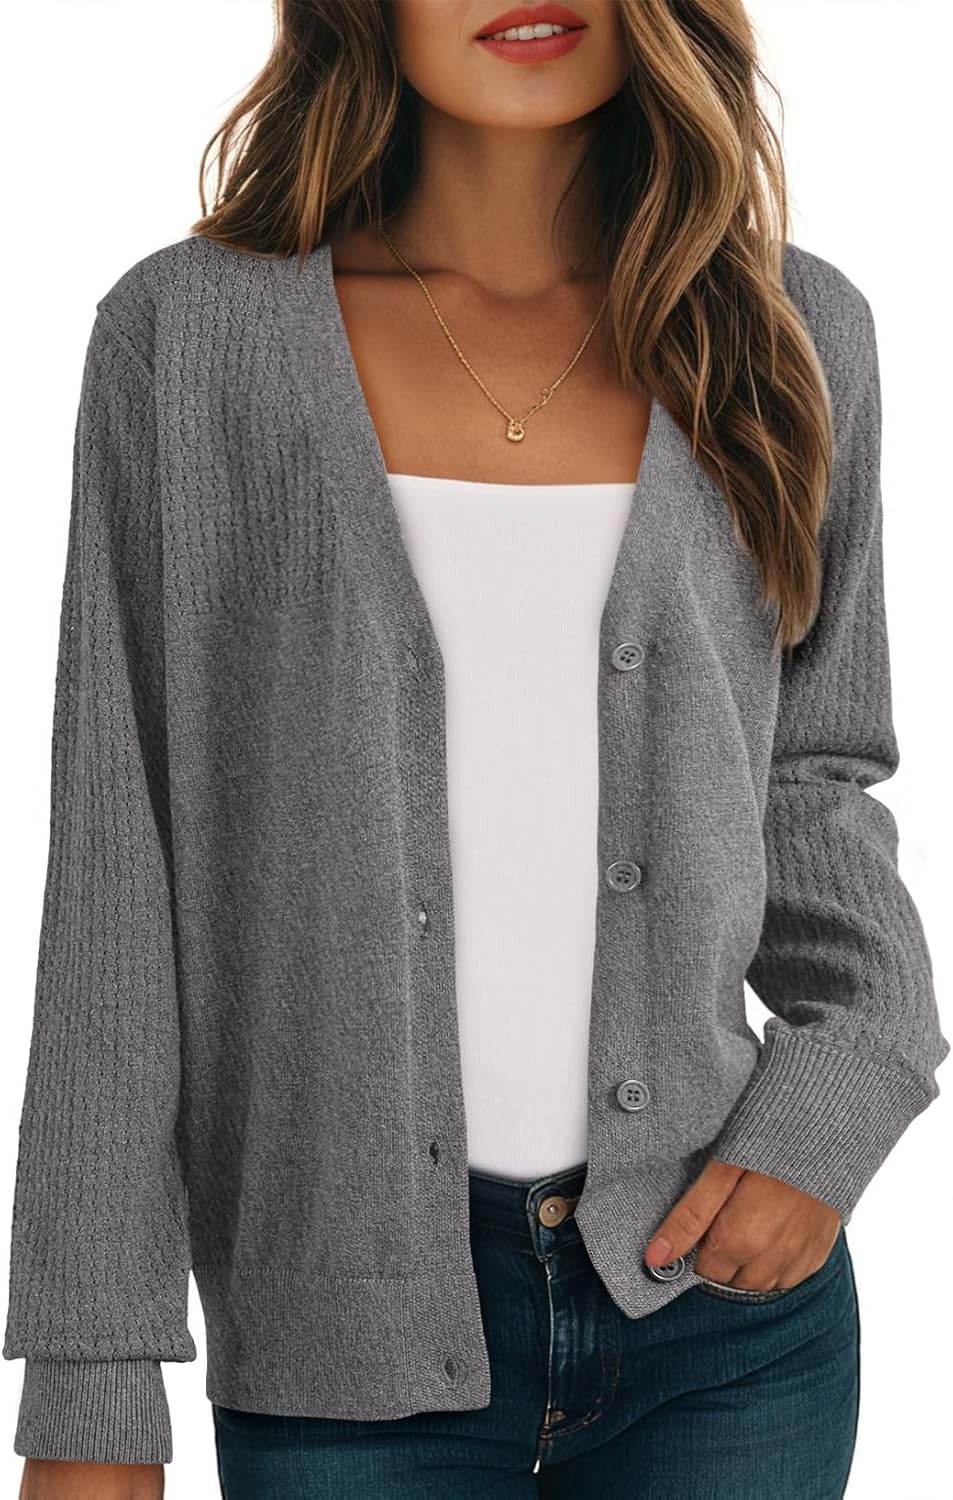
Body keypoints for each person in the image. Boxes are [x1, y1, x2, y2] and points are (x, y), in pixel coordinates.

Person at [7, 2, 949, 1497]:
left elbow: (815, 775)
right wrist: (90, 1376)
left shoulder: (786, 327)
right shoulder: (192, 341)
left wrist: (841, 1094)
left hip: (720, 1317)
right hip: (341, 1339)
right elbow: (120, 873)